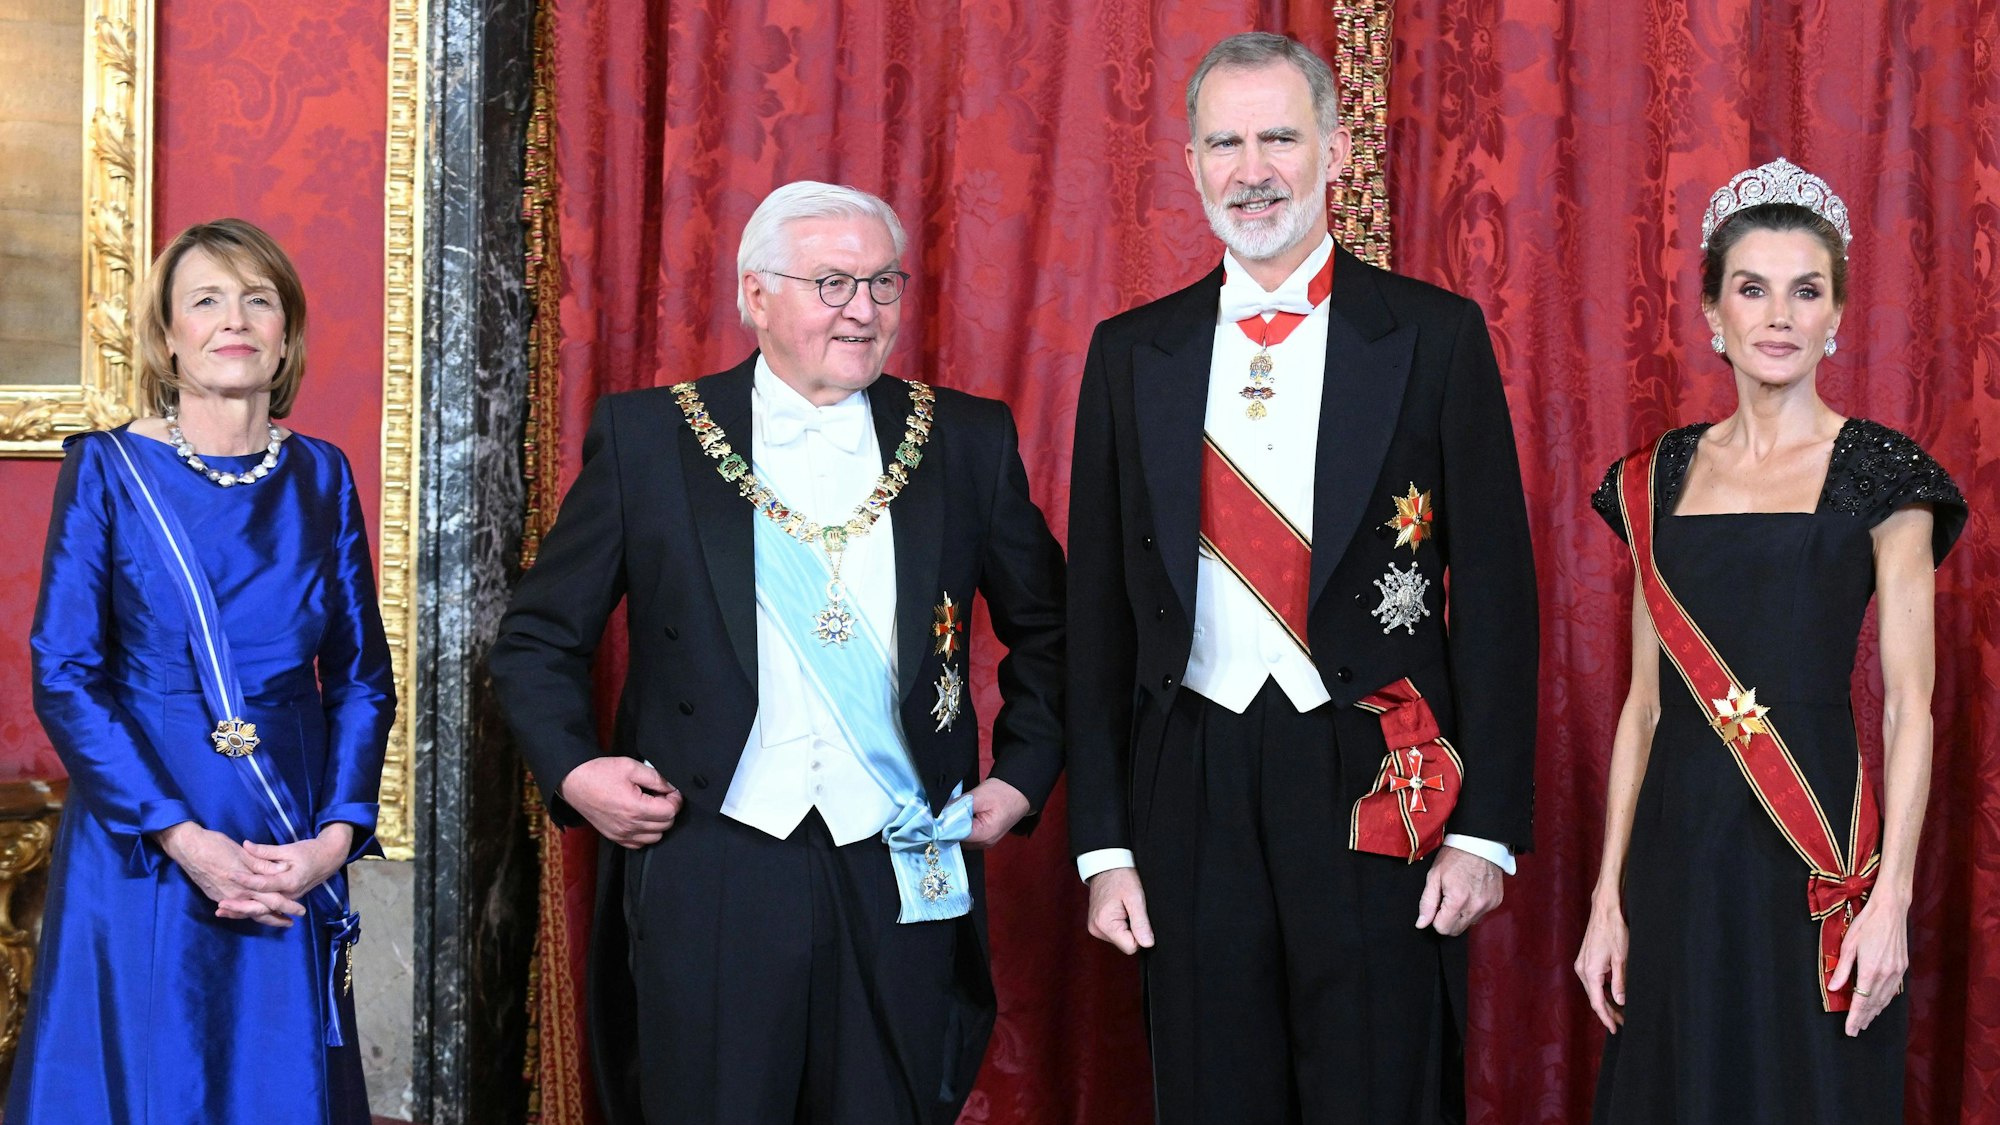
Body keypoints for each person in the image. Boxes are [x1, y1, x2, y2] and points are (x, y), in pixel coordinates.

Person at [489, 180, 1064, 1124]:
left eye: (883, 283)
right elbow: (539, 637)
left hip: (900, 854)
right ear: (755, 295)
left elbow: (1055, 628)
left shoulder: (963, 437)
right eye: (832, 283)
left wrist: (1023, 775)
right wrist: (578, 769)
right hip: (714, 853)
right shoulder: (651, 435)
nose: (863, 309)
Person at [1065, 31, 1538, 1124]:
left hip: (1376, 764)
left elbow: (1502, 603)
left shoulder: (1431, 335)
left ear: (1332, 151)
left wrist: (1483, 830)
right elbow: (1095, 616)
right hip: (1188, 769)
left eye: (1279, 136)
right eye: (1224, 142)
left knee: (1380, 1084)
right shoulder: (1130, 351)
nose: (1252, 168)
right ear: (1188, 164)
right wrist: (1101, 844)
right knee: (1210, 1087)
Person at [1576, 158, 1965, 1122]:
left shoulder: (1883, 474)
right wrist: (1606, 898)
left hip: (1814, 846)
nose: (1779, 315)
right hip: (1679, 853)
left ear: (1836, 315)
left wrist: (1893, 900)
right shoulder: (1655, 476)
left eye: (1807, 290)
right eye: (1752, 289)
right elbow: (1644, 704)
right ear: (1713, 312)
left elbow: (1911, 703)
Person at [6, 218, 394, 1123]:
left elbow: (363, 677)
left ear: (286, 332)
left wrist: (333, 840)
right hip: (146, 840)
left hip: (283, 841)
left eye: (259, 299)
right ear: (167, 334)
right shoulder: (107, 470)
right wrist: (181, 835)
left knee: (276, 1082)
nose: (236, 320)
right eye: (207, 300)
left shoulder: (323, 476)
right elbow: (64, 671)